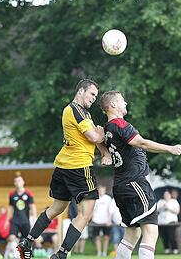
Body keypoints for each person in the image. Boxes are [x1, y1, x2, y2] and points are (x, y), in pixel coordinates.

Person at [17, 79, 112, 259]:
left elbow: (93, 138)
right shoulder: (75, 111)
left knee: (56, 208)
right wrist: (101, 135)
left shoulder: (83, 113)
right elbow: (93, 136)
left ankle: (27, 242)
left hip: (63, 166)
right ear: (81, 91)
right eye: (92, 94)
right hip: (79, 167)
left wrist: (104, 152)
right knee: (86, 213)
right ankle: (61, 254)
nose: (94, 99)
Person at [100, 90, 181, 259]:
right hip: (134, 183)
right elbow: (141, 142)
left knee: (132, 234)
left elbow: (97, 139)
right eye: (122, 101)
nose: (125, 103)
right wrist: (169, 148)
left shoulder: (107, 129)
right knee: (151, 231)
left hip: (120, 186)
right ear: (113, 105)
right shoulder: (120, 124)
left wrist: (105, 152)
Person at [4, 176, 36, 258]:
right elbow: (10, 208)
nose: (17, 182)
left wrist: (34, 219)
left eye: (19, 181)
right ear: (14, 183)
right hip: (15, 221)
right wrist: (7, 221)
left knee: (28, 240)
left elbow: (33, 207)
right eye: (16, 181)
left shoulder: (28, 194)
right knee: (11, 238)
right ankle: (16, 256)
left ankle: (28, 256)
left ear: (23, 182)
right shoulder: (12, 194)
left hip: (25, 221)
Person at [91, 185, 113, 257]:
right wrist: (91, 219)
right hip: (96, 221)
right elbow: (92, 210)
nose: (101, 191)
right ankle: (99, 252)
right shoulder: (95, 198)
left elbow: (110, 210)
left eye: (102, 190)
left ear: (105, 190)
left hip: (106, 221)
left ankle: (104, 252)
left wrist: (109, 220)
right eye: (100, 190)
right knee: (97, 237)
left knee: (106, 237)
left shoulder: (108, 199)